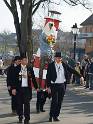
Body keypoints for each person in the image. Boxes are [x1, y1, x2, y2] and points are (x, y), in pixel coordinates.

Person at [46, 52, 81, 122]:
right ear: (55, 58)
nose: (59, 59)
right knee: (54, 101)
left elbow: (71, 70)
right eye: (58, 58)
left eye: (60, 58)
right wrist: (48, 87)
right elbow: (48, 76)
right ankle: (51, 115)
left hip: (62, 85)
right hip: (54, 85)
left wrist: (80, 76)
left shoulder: (64, 64)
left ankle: (56, 116)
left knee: (60, 102)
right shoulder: (51, 65)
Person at [11, 56, 38, 124]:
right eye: (24, 60)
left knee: (27, 104)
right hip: (19, 89)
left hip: (27, 89)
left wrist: (36, 87)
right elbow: (13, 80)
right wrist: (13, 88)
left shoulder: (29, 68)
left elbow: (33, 78)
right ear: (21, 61)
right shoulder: (16, 68)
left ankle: (27, 119)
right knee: (19, 104)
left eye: (27, 60)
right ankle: (20, 116)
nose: (26, 61)